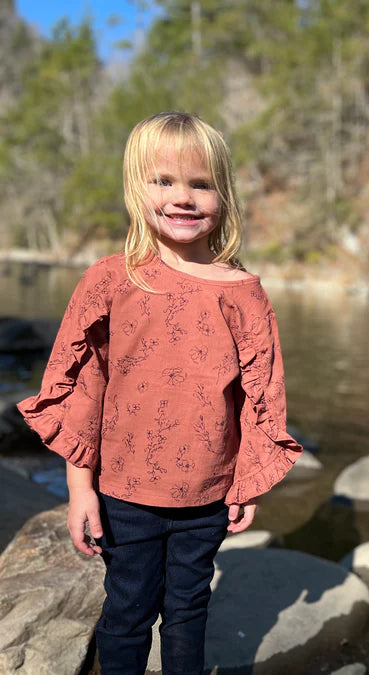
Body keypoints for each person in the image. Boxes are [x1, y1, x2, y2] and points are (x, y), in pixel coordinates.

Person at [17, 111, 303, 674]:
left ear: (224, 195)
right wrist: (81, 490)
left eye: (201, 184)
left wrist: (247, 483)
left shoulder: (242, 292)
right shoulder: (112, 279)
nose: (183, 197)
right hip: (124, 495)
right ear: (136, 187)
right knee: (126, 612)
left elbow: (258, 397)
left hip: (208, 498)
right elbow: (84, 388)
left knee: (188, 611)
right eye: (164, 181)